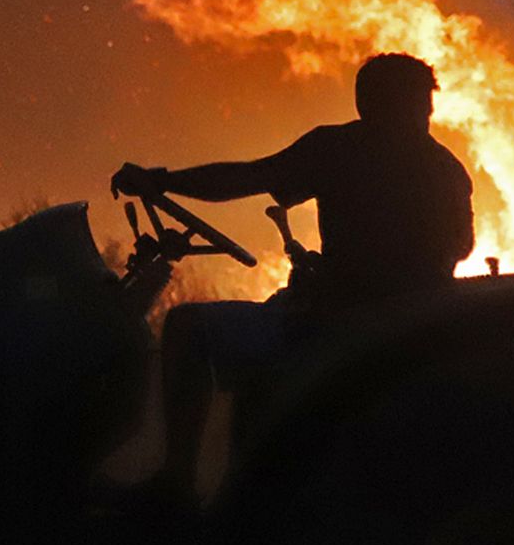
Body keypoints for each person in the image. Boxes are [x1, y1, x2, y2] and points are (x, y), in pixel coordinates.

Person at [112, 53, 474, 504]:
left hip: (331, 325)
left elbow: (246, 178)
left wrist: (161, 181)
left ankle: (176, 485)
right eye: (420, 104)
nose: (424, 113)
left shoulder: (342, 147)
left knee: (187, 328)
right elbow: (461, 248)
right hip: (407, 326)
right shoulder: (447, 169)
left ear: (367, 103)